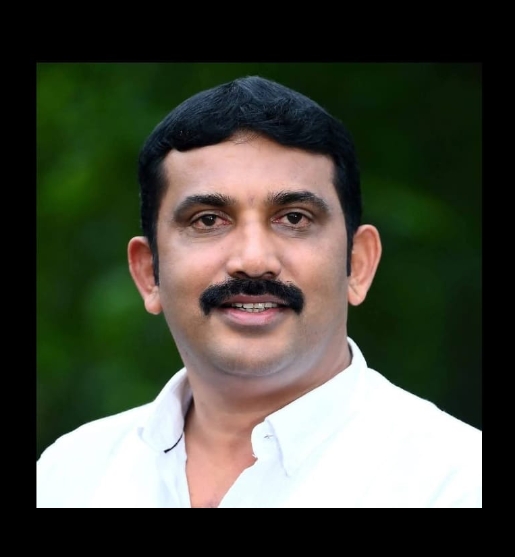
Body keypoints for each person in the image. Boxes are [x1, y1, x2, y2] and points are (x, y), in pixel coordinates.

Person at [36, 75, 482, 508]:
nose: (253, 259)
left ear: (358, 264)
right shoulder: (69, 476)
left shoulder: (456, 482)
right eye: (208, 220)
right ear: (150, 273)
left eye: (294, 218)